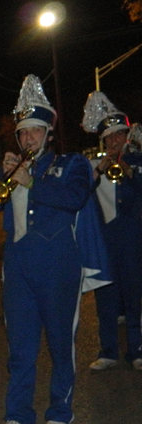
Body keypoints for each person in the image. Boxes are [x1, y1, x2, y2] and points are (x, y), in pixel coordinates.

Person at [0, 75, 94, 424]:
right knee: (21, 346)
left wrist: (31, 181)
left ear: (48, 133)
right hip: (18, 266)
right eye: (22, 133)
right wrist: (7, 172)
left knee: (61, 341)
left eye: (34, 131)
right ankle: (19, 415)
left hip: (58, 263)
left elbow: (74, 198)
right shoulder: (13, 168)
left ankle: (61, 409)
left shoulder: (71, 163)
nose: (28, 138)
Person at [82, 91, 142, 371]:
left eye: (118, 135)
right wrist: (98, 171)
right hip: (105, 242)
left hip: (132, 240)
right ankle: (108, 351)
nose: (114, 141)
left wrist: (130, 171)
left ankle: (137, 349)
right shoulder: (96, 165)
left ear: (126, 136)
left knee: (133, 297)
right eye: (109, 137)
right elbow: (79, 195)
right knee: (106, 298)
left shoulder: (138, 162)